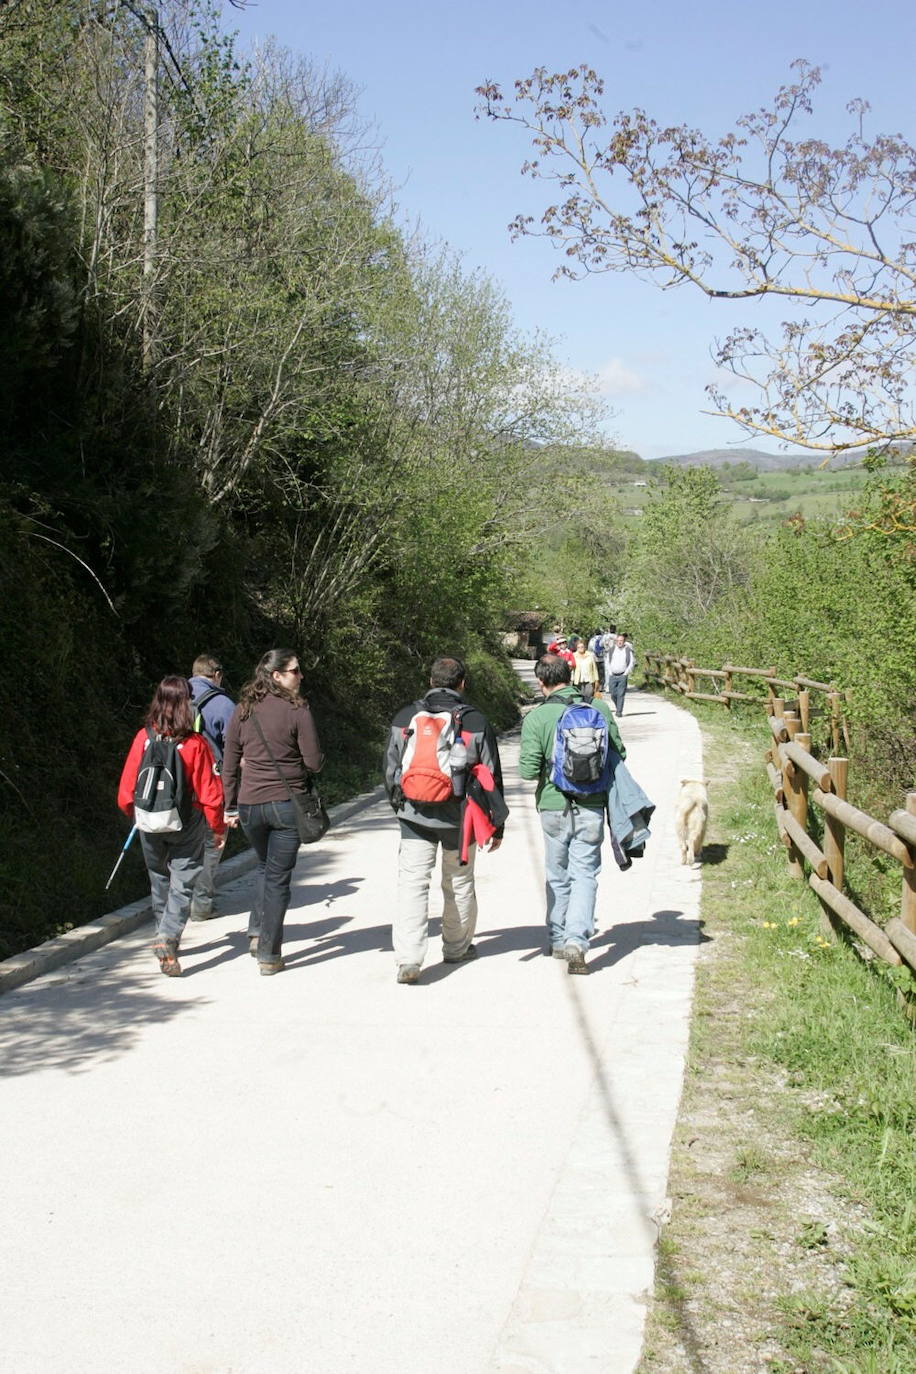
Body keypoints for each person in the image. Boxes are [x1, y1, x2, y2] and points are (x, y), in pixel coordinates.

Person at [384, 656, 504, 985]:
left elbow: (391, 768)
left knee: (412, 884)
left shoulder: (406, 716)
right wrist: (497, 823)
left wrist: (400, 805)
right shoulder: (476, 720)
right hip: (460, 818)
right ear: (462, 683)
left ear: (430, 680)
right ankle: (455, 948)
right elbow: (492, 774)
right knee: (459, 884)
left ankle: (408, 958)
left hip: (414, 817)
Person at [518, 653, 625, 974]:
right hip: (591, 802)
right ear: (571, 674)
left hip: (552, 805)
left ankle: (557, 936)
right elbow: (620, 752)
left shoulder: (536, 718)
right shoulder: (599, 709)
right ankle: (577, 941)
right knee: (585, 873)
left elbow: (527, 770)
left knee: (557, 873)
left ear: (541, 682)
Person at [221, 649, 324, 975]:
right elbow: (313, 762)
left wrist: (230, 805)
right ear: (276, 675)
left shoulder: (243, 710)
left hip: (250, 806)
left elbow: (229, 763)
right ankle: (269, 953)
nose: (301, 676)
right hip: (284, 804)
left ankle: (255, 931)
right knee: (277, 878)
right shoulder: (298, 710)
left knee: (266, 868)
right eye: (295, 671)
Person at [118, 676, 226, 977]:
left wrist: (135, 813)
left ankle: (164, 936)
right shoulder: (195, 744)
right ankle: (167, 936)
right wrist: (217, 828)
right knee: (184, 879)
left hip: (149, 822)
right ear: (185, 704)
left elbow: (127, 788)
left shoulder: (143, 737)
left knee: (158, 878)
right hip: (185, 822)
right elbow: (210, 794)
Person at [188, 654, 236, 921]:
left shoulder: (172, 698)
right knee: (211, 843)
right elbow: (235, 749)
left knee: (181, 845)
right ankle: (201, 904)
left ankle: (177, 902)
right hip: (210, 787)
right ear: (217, 674)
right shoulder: (223, 704)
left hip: (176, 788)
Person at [605, 633, 636, 717]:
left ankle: (619, 711)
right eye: (618, 641)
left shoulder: (627, 650)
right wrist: (610, 672)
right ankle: (618, 705)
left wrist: (626, 673)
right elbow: (607, 662)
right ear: (615, 641)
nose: (619, 642)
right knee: (613, 693)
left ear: (624, 641)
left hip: (623, 675)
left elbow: (631, 662)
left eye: (621, 641)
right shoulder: (611, 650)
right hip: (613, 675)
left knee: (621, 694)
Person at [571, 637, 600, 702]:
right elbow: (571, 668)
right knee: (579, 698)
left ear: (585, 647)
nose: (581, 649)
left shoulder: (590, 655)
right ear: (576, 648)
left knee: (588, 697)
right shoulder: (573, 656)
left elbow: (594, 669)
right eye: (579, 647)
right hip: (577, 681)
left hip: (589, 680)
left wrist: (597, 680)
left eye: (582, 647)